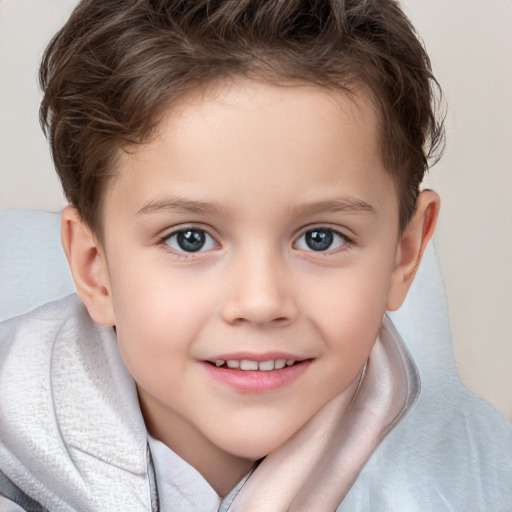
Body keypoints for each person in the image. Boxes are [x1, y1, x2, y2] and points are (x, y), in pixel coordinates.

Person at [0, 0, 510, 510]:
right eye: (190, 239)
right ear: (96, 269)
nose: (261, 302)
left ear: (405, 254)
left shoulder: (482, 482)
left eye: (320, 238)